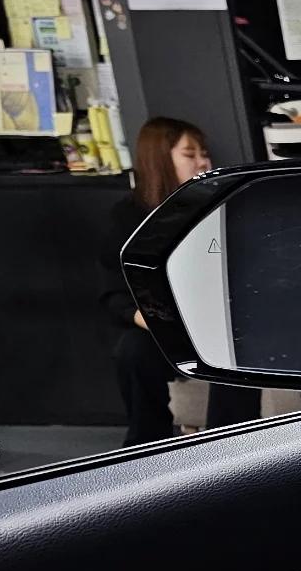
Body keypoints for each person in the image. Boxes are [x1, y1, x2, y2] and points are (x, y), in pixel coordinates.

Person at [100, 117, 255, 444]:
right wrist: (153, 321)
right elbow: (114, 296)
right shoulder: (128, 216)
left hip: (222, 321)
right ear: (160, 159)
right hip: (164, 327)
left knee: (238, 345)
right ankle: (146, 446)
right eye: (190, 154)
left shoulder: (221, 205)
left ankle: (229, 446)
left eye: (204, 154)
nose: (203, 162)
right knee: (133, 351)